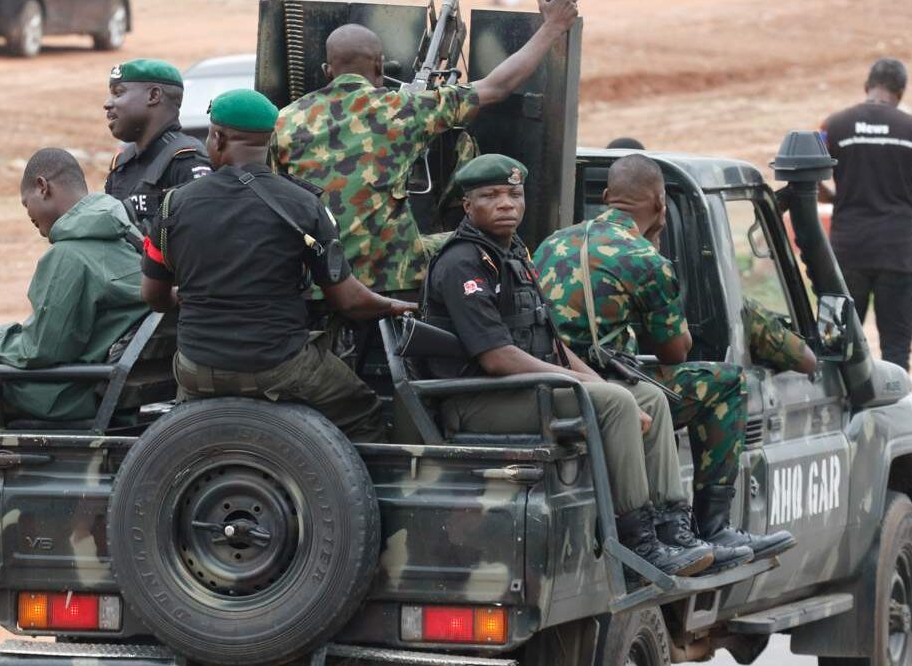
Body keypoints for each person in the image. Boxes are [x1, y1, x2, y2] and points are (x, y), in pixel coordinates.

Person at [423, 153, 716, 578]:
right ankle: (638, 542)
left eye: (514, 194)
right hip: (479, 398)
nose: (506, 203)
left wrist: (593, 380)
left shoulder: (515, 255)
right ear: (468, 206)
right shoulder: (463, 263)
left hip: (524, 389)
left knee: (647, 394)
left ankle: (673, 529)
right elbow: (497, 356)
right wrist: (591, 388)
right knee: (615, 403)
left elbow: (552, 342)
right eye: (490, 195)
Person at [534, 155, 798, 563]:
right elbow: (674, 351)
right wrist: (655, 253)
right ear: (660, 203)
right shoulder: (644, 258)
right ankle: (712, 528)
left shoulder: (554, 242)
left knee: (650, 395)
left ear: (606, 198)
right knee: (726, 382)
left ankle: (671, 529)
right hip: (603, 386)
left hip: (547, 378)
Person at [0, 148, 150, 575]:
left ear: (43, 187)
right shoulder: (128, 239)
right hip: (104, 386)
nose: (30, 219)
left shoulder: (68, 256)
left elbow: (42, 350)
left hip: (68, 394)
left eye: (27, 206)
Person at [140, 89, 416, 443]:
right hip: (280, 367)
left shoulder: (173, 205)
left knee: (188, 433)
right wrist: (395, 305)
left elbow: (153, 296)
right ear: (269, 141)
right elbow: (347, 301)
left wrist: (186, 296)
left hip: (198, 368)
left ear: (218, 137)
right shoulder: (304, 205)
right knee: (363, 409)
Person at [272, 0, 579, 295]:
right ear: (380, 65)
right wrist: (553, 26)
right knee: (487, 234)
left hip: (316, 275)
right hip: (391, 275)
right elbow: (497, 86)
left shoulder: (283, 121)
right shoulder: (404, 108)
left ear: (327, 69)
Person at [818, 57, 912, 372]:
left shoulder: (833, 126)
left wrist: (840, 195)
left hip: (846, 254)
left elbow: (810, 178)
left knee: (835, 351)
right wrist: (906, 194)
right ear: (901, 93)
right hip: (898, 255)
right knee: (896, 352)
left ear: (867, 87)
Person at [104, 58, 212, 231]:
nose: (107, 104)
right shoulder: (122, 163)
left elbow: (199, 240)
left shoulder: (187, 161)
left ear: (153, 95)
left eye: (119, 93)